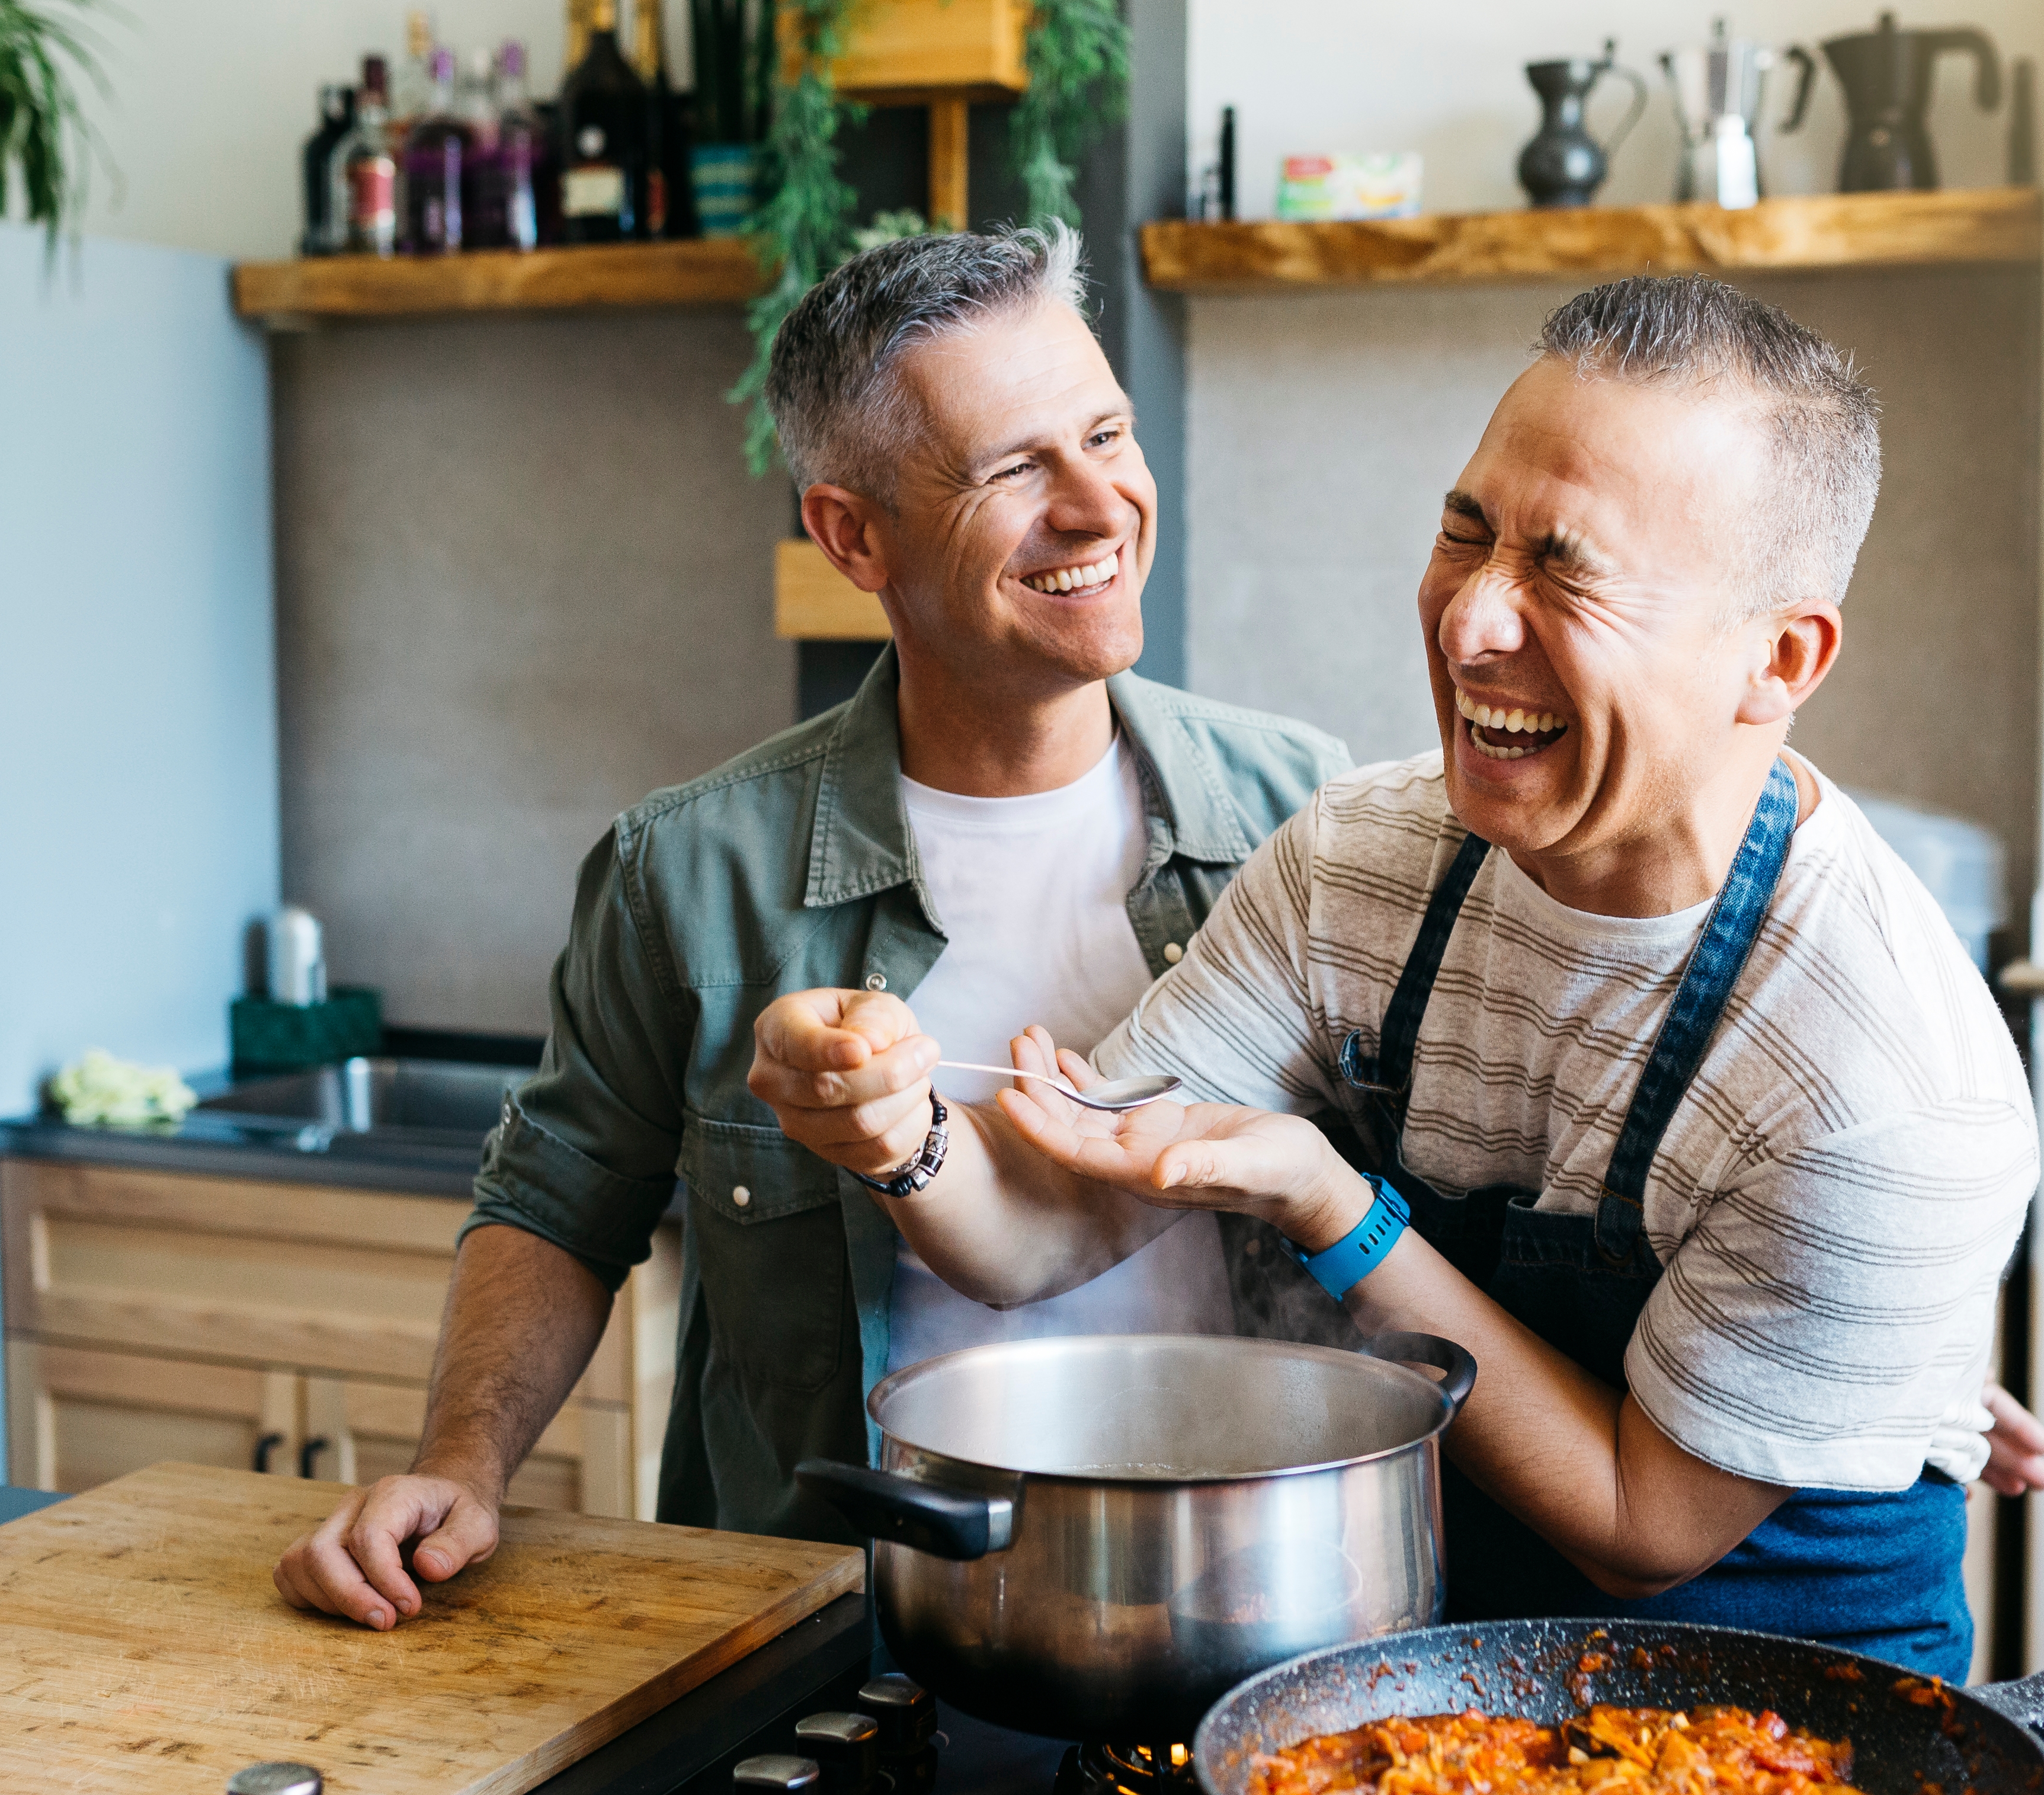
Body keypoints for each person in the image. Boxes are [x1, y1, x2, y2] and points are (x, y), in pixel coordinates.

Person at [749, 274, 2043, 1677]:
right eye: (1464, 531)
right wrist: (899, 1136)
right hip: (1429, 1686)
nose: (1471, 622)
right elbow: (1049, 1222)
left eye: (1567, 568)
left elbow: (1640, 1523)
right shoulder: (1360, 863)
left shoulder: (1887, 1087)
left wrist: (1335, 1208)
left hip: (1772, 1741)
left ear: (1777, 658)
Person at [274, 224, 1350, 1630]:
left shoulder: (1313, 817)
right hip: (840, 1644)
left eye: (1108, 434)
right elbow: (553, 1202)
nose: (1100, 505)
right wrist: (460, 1465)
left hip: (1246, 1617)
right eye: (1017, 468)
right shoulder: (689, 871)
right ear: (853, 534)